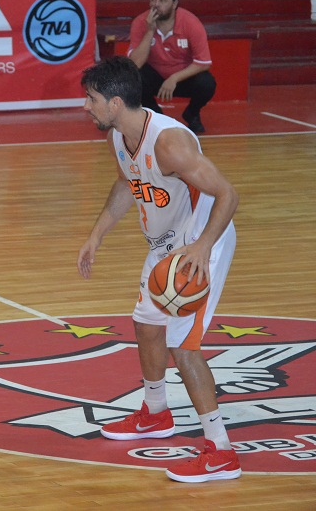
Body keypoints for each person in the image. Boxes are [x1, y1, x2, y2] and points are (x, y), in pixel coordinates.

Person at [78, 56, 241, 483]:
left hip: (202, 242)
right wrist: (97, 235)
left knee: (183, 346)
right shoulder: (118, 136)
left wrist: (202, 247)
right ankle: (155, 413)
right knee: (147, 325)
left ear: (115, 102)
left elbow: (227, 194)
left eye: (91, 98)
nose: (86, 106)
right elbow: (126, 183)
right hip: (165, 245)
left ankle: (221, 451)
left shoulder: (169, 142)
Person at [127, 0, 215, 134]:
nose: (156, 5)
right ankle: (156, 117)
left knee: (207, 83)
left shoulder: (191, 23)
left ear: (174, 4)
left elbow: (203, 62)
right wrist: (149, 32)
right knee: (133, 77)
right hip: (154, 76)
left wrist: (174, 78)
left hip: (181, 78)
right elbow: (134, 64)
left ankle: (192, 113)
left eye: (162, 0)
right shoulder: (140, 22)